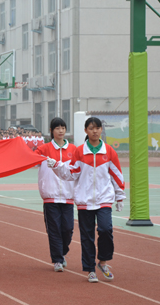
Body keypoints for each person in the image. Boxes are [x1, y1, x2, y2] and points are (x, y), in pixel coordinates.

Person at [47, 117, 125, 283]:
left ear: (101, 130)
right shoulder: (80, 151)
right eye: (91, 128)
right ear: (85, 131)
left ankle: (102, 262)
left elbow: (117, 174)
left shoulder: (109, 151)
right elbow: (71, 173)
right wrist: (56, 166)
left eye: (97, 128)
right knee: (87, 237)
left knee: (105, 229)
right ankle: (90, 269)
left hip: (104, 199)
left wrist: (120, 196)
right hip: (84, 201)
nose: (95, 131)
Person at [35, 118, 76, 272]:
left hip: (68, 196)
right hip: (50, 196)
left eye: (63, 127)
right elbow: (30, 160)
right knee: (54, 230)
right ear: (51, 130)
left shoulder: (73, 149)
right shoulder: (43, 149)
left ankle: (62, 252)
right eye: (57, 128)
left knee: (67, 229)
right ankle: (57, 259)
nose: (60, 130)